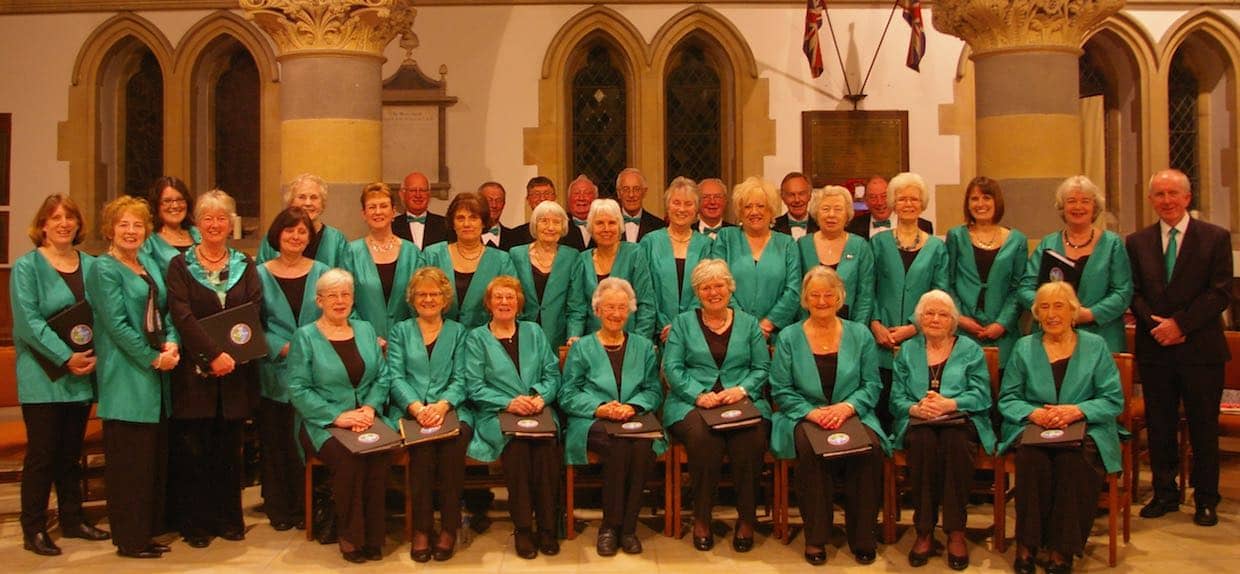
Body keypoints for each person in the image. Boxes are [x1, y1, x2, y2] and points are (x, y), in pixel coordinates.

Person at [1128, 169, 1234, 527]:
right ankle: (1164, 492)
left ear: (1188, 198)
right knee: (1160, 424)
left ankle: (1206, 498)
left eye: (1173, 193)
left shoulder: (1214, 238)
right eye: (1159, 194)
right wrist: (1158, 326)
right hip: (1155, 346)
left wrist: (1181, 325)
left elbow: (1220, 291)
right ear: (1151, 200)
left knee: (1203, 426)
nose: (1167, 200)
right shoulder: (1137, 242)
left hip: (1200, 348)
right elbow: (1134, 292)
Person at [999, 282, 1123, 574]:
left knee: (1072, 462)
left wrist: (1077, 410)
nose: (1052, 313)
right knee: (1032, 459)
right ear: (1036, 314)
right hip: (1035, 425)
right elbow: (1008, 398)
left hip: (1085, 427)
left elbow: (1112, 400)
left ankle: (1061, 549)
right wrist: (1034, 413)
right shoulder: (1024, 347)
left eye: (1059, 306)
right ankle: (1027, 544)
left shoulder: (1096, 346)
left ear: (1073, 311)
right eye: (1044, 307)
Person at [769, 266, 887, 566]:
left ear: (840, 298)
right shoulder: (789, 337)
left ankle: (862, 537)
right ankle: (816, 537)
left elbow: (872, 383)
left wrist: (846, 408)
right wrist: (812, 413)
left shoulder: (859, 334)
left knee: (869, 449)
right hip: (804, 415)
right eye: (815, 296)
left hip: (852, 413)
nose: (822, 301)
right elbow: (781, 388)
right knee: (812, 452)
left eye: (828, 295)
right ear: (805, 300)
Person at [165, 189, 262, 548]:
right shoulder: (181, 265)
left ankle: (228, 519)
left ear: (230, 223)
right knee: (195, 452)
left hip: (234, 374)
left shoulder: (244, 264)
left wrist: (231, 357)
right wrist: (211, 355)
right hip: (195, 374)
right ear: (198, 223)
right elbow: (182, 315)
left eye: (222, 218)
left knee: (228, 451)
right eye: (208, 218)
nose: (215, 224)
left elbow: (252, 309)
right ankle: (196, 524)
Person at [12, 194, 107, 555]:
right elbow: (27, 321)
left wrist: (92, 355)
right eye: (55, 218)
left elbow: (101, 313)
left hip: (82, 372)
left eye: (70, 217)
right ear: (43, 225)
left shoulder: (91, 265)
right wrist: (65, 356)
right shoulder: (27, 267)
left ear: (78, 225)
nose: (63, 223)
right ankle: (33, 526)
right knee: (42, 454)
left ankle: (73, 518)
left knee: (70, 452)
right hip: (44, 374)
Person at [89, 195, 181, 558]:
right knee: (130, 465)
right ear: (110, 229)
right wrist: (151, 359)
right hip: (127, 375)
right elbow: (116, 326)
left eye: (138, 225)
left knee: (151, 463)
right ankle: (130, 539)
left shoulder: (145, 263)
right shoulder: (104, 268)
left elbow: (165, 308)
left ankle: (147, 531)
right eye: (124, 224)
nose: (131, 231)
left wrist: (172, 344)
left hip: (158, 374)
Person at [662, 260, 771, 553]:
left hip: (742, 402)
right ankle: (702, 518)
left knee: (751, 438)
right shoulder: (683, 322)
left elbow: (762, 367)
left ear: (729, 287)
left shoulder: (748, 323)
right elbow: (671, 367)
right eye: (706, 287)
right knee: (704, 438)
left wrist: (741, 389)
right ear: (697, 292)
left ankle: (746, 519)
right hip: (692, 405)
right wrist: (698, 394)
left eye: (719, 285)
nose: (713, 292)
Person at [286, 269, 390, 563]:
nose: (340, 300)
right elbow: (298, 388)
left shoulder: (366, 330)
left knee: (379, 455)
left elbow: (382, 376)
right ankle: (350, 536)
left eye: (345, 294)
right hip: (324, 424)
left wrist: (370, 407)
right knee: (349, 458)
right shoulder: (305, 337)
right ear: (319, 301)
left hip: (366, 417)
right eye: (332, 295)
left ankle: (374, 535)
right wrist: (338, 416)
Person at [889, 290, 995, 570]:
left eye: (942, 314)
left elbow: (982, 395)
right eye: (929, 313)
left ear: (953, 321)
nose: (935, 319)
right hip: (919, 421)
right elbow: (895, 399)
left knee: (955, 443)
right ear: (920, 318)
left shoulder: (970, 349)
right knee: (922, 442)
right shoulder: (908, 350)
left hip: (960, 420)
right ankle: (924, 530)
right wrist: (915, 408)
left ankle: (955, 530)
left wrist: (951, 403)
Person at [460, 276, 563, 560]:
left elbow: (552, 374)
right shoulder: (477, 338)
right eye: (498, 297)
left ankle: (547, 526)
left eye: (510, 297)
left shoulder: (534, 331)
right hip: (497, 414)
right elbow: (474, 386)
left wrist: (539, 396)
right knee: (517, 450)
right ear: (489, 303)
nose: (505, 302)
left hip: (537, 409)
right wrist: (508, 402)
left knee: (544, 448)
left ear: (519, 302)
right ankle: (523, 528)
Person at [560, 278, 665, 556]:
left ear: (630, 310)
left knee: (641, 445)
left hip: (634, 418)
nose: (616, 313)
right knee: (621, 445)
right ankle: (612, 526)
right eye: (609, 307)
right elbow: (567, 394)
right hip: (592, 421)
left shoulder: (643, 347)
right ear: (597, 311)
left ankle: (626, 528)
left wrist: (633, 406)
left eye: (621, 307)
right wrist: (601, 408)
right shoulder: (581, 347)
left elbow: (653, 390)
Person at [382, 267, 473, 562]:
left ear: (445, 299)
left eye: (435, 294)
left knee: (451, 450)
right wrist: (417, 408)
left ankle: (448, 527)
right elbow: (395, 377)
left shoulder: (459, 332)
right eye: (422, 294)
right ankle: (422, 529)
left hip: (451, 409)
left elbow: (462, 378)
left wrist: (443, 405)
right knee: (420, 454)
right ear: (412, 298)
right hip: (412, 412)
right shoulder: (400, 331)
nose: (429, 299)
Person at [256, 206, 329, 532]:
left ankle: (310, 506)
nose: (296, 237)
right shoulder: (257, 274)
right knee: (277, 440)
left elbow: (334, 317)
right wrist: (279, 345)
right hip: (275, 370)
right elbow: (249, 324)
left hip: (315, 373)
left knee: (308, 440)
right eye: (290, 230)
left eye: (302, 232)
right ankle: (281, 508)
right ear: (277, 234)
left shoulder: (323, 273)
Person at [870, 172, 949, 431]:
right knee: (881, 410)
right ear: (893, 203)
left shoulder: (937, 247)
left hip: (920, 340)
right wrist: (875, 323)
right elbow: (867, 288)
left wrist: (914, 326)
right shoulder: (878, 242)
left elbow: (941, 293)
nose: (907, 204)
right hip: (881, 340)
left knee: (913, 409)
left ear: (922, 204)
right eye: (901, 199)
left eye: (913, 199)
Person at [1019, 175, 1132, 352]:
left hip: (1101, 337)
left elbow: (1123, 293)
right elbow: (1025, 288)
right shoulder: (1048, 243)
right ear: (1063, 208)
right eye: (1071, 201)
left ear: (1094, 207)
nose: (1078, 207)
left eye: (1085, 201)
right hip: (1051, 339)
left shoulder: (1112, 244)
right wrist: (1052, 311)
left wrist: (1090, 314)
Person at [946, 177, 1028, 368]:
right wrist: (960, 318)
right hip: (963, 330)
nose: (980, 204)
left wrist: (1001, 323)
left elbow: (1019, 289)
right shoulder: (956, 236)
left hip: (1003, 333)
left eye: (986, 198)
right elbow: (947, 282)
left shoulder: (1017, 240)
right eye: (974, 199)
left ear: (996, 201)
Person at [712, 176, 801, 339]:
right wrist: (745, 324)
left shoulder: (787, 244)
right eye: (747, 207)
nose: (754, 212)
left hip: (776, 335)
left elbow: (793, 291)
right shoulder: (725, 238)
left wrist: (767, 324)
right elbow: (717, 283)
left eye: (761, 206)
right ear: (740, 211)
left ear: (771, 210)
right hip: (731, 331)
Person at [422, 191, 516, 328]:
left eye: (473, 218)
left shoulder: (502, 260)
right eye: (460, 218)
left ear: (483, 222)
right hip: (438, 338)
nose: (466, 224)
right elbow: (417, 299)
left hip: (485, 341)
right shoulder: (432, 255)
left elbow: (513, 304)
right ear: (453, 223)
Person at [567, 198, 656, 341]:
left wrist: (639, 342)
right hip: (592, 344)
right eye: (600, 223)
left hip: (630, 340)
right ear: (591, 227)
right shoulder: (581, 260)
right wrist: (574, 336)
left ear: (620, 225)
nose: (606, 229)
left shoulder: (635, 254)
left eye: (612, 223)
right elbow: (577, 309)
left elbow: (646, 304)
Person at [342, 183, 420, 339]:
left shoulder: (413, 253)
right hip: (363, 342)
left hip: (407, 340)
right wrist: (367, 335)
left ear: (393, 212)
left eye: (383, 206)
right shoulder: (351, 252)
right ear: (364, 214)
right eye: (372, 207)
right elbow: (344, 300)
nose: (378, 212)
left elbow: (420, 300)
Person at [641, 177, 713, 343]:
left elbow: (706, 290)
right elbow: (646, 290)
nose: (682, 209)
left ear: (697, 210)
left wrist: (681, 326)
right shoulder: (649, 242)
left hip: (696, 333)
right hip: (656, 333)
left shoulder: (706, 245)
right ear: (667, 206)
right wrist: (665, 325)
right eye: (676, 202)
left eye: (688, 204)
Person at [797, 185, 875, 323]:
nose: (831, 214)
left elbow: (865, 296)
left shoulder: (860, 246)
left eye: (838, 209)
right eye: (825, 209)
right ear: (816, 213)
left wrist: (856, 331)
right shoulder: (802, 245)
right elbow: (797, 291)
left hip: (850, 327)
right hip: (808, 326)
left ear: (847, 214)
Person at [510, 200, 581, 349]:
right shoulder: (516, 254)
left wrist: (573, 335)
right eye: (544, 221)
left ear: (563, 227)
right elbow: (512, 298)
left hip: (558, 338)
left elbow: (577, 305)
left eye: (556, 222)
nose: (550, 227)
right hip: (521, 336)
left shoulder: (572, 257)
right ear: (535, 225)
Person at [258, 173, 348, 267]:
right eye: (302, 197)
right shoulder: (274, 237)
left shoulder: (337, 240)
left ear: (323, 204)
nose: (308, 203)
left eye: (314, 197)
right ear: (290, 202)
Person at [139, 176, 200, 273]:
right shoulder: (148, 240)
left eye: (180, 199)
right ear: (156, 205)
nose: (175, 206)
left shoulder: (199, 234)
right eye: (167, 201)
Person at [847, 175, 934, 239]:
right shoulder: (853, 227)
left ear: (892, 197)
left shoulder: (923, 226)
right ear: (866, 201)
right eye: (873, 197)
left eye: (884, 196)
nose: (879, 202)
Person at [392, 171, 448, 249]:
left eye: (422, 190)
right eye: (413, 190)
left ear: (429, 194)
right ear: (402, 194)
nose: (418, 195)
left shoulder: (445, 225)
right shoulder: (391, 226)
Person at [615, 168, 666, 242]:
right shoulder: (609, 226)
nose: (631, 194)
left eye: (636, 189)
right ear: (619, 193)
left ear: (644, 192)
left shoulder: (659, 227)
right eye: (626, 189)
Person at [509, 176, 557, 247]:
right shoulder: (515, 235)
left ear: (555, 197)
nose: (542, 198)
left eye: (547, 193)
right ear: (528, 200)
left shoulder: (569, 231)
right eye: (536, 194)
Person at [772, 172, 817, 239]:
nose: (797, 200)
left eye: (801, 194)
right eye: (791, 195)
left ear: (810, 195)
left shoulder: (820, 226)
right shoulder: (772, 228)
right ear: (782, 197)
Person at [478, 181, 522, 250]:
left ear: (504, 204)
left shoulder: (516, 238)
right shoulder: (467, 236)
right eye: (489, 200)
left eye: (499, 200)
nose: (494, 205)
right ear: (478, 203)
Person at [562, 174, 598, 250]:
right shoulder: (559, 224)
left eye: (587, 193)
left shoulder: (603, 224)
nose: (581, 198)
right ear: (568, 199)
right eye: (576, 193)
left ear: (596, 199)